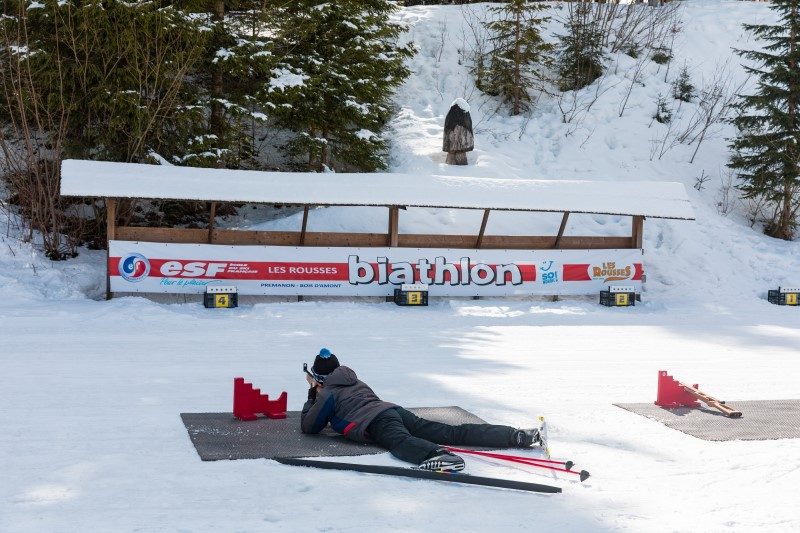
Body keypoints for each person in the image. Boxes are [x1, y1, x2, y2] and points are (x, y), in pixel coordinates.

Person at [301, 348, 542, 473]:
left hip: (376, 421)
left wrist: (313, 393)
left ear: (319, 378)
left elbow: (310, 426)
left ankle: (437, 457)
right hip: (394, 411)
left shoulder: (327, 393)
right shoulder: (355, 380)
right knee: (450, 432)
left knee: (400, 442)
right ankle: (516, 435)